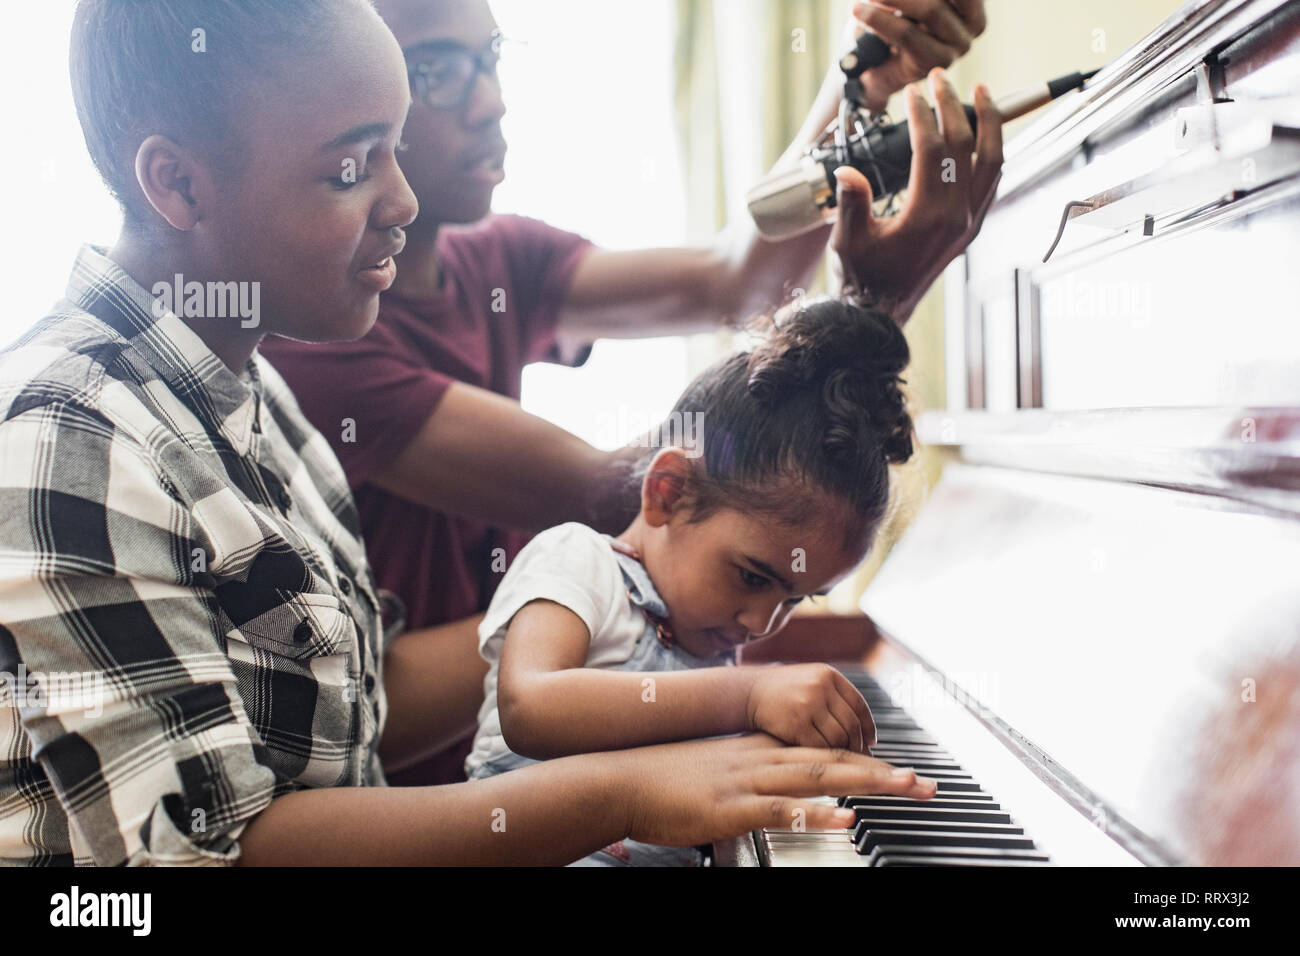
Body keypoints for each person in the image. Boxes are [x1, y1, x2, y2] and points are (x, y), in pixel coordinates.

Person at [0, 0, 933, 867]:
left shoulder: (256, 392)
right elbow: (210, 855)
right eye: (350, 168)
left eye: (398, 150)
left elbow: (362, 713)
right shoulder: (73, 436)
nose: (403, 202)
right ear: (177, 181)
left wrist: (590, 627)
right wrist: (628, 790)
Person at [259, 0, 1005, 786]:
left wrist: (861, 83)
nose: (492, 102)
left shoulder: (497, 258)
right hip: (419, 787)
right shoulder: (315, 334)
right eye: (437, 73)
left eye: (493, 57)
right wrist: (867, 320)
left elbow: (738, 281)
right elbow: (616, 490)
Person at [469, 298, 931, 866]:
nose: (761, 624)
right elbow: (531, 707)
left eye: (796, 599)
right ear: (668, 492)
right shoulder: (579, 563)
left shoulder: (707, 641)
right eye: (751, 576)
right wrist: (752, 694)